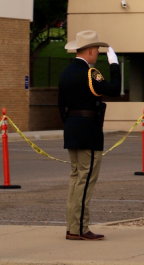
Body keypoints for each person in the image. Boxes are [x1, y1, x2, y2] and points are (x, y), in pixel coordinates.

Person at [59, 30, 121, 241]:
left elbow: (61, 106)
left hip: (72, 130)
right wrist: (114, 66)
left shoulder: (66, 72)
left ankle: (72, 226)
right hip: (89, 132)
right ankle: (79, 228)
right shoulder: (91, 74)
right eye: (97, 51)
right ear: (91, 50)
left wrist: (70, 125)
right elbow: (114, 89)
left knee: (76, 179)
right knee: (85, 181)